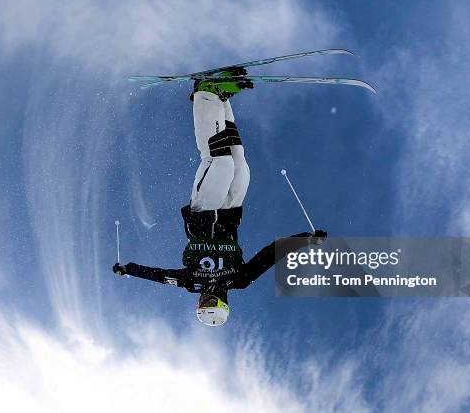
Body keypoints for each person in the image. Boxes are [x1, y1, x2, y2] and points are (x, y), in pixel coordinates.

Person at [113, 68, 327, 326]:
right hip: (230, 211)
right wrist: (306, 240)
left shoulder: (191, 281)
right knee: (239, 165)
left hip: (203, 213)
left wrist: (129, 269)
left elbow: (157, 275)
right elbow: (271, 253)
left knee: (219, 163)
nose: (206, 298)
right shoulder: (240, 279)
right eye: (211, 304)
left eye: (202, 304)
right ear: (224, 304)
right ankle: (221, 101)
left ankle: (204, 95)